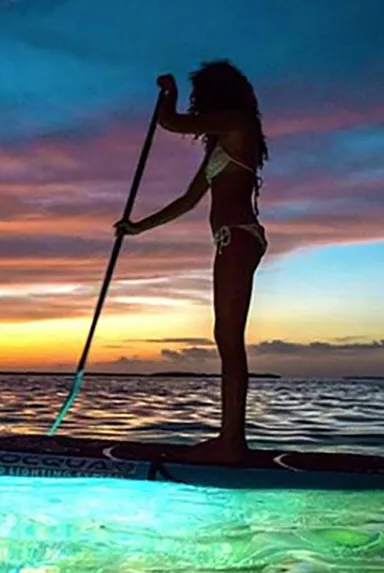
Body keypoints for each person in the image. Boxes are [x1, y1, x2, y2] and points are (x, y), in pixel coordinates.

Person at [115, 60, 269, 464]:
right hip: (230, 239)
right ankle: (231, 439)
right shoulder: (221, 144)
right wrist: (137, 228)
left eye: (201, 96)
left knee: (228, 340)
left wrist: (169, 94)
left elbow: (169, 122)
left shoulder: (239, 123)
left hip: (238, 236)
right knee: (225, 338)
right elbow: (187, 201)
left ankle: (232, 442)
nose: (200, 106)